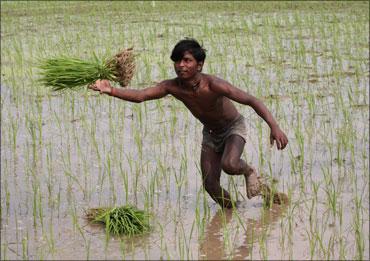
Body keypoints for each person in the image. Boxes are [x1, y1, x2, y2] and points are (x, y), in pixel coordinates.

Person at [88, 38, 288, 208]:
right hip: (210, 133)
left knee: (230, 164)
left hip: (233, 127)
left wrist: (274, 126)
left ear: (199, 65)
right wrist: (111, 90)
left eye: (186, 60)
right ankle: (234, 210)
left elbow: (251, 100)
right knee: (210, 185)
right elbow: (141, 95)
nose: (180, 65)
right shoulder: (173, 87)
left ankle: (249, 171)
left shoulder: (214, 85)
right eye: (177, 61)